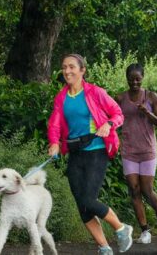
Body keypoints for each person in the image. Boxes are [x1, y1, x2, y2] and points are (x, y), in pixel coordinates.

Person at [47, 54, 133, 255]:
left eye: (72, 67)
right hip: (76, 153)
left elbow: (118, 113)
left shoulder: (96, 92)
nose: (67, 71)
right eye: (64, 67)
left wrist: (108, 124)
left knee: (88, 199)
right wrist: (54, 143)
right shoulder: (61, 97)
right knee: (82, 206)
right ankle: (104, 247)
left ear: (82, 70)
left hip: (96, 150)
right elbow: (55, 124)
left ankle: (121, 228)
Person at [116, 63, 157, 244]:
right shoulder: (121, 97)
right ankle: (145, 231)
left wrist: (148, 113)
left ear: (143, 77)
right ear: (127, 78)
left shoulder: (151, 97)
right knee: (134, 190)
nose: (134, 82)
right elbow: (111, 118)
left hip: (147, 150)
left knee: (147, 189)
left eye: (138, 78)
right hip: (129, 150)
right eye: (131, 79)